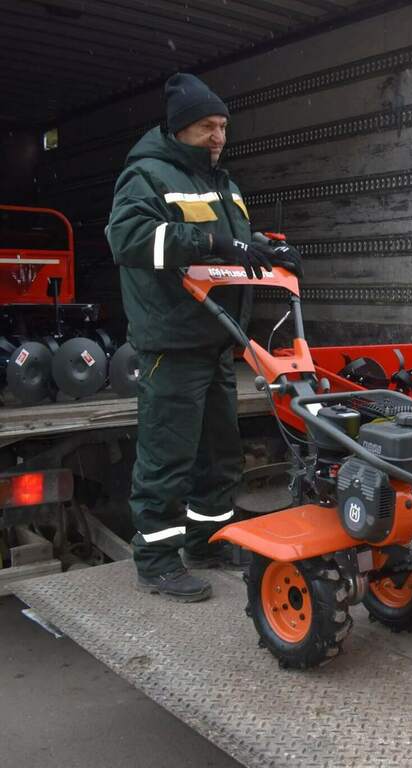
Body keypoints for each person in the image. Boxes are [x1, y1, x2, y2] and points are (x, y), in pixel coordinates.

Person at [106, 73, 302, 602]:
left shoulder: (223, 183)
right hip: (172, 340)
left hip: (217, 338)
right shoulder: (147, 175)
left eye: (222, 126)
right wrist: (217, 242)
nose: (218, 136)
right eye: (206, 127)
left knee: (219, 453)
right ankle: (156, 562)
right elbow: (128, 238)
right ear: (178, 129)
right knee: (167, 456)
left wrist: (266, 247)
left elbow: (233, 246)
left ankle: (208, 541)